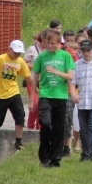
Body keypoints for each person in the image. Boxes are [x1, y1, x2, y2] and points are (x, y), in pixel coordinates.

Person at [32, 28, 76, 168]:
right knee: (45, 124)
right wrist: (33, 96)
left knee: (58, 128)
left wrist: (55, 72)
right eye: (48, 43)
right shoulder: (42, 57)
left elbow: (70, 76)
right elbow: (35, 78)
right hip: (45, 95)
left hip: (60, 96)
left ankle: (55, 159)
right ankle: (44, 158)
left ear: (59, 43)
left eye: (53, 44)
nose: (51, 46)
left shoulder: (65, 56)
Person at [0, 40, 31, 150]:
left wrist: (37, 88)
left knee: (20, 116)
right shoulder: (1, 59)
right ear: (9, 49)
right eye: (15, 52)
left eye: (19, 53)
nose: (17, 55)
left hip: (14, 93)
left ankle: (18, 142)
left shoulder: (20, 62)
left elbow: (27, 77)